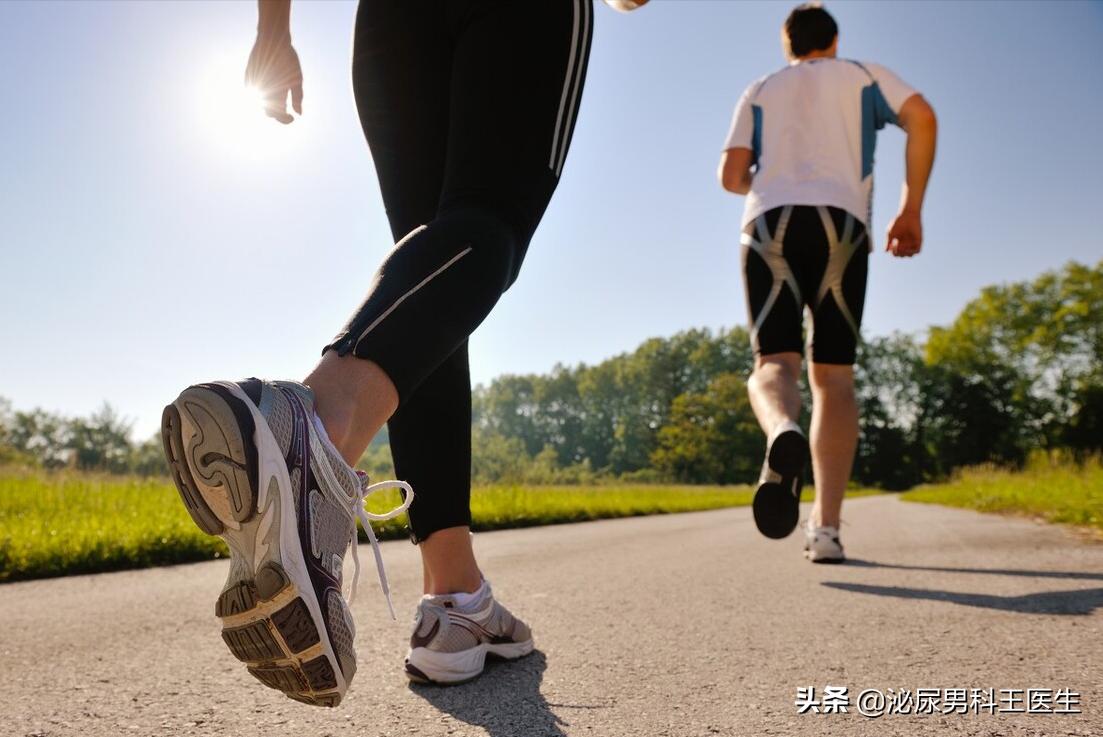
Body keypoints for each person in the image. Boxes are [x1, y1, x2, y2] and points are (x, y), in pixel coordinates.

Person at [159, 0, 654, 707]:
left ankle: (456, 596)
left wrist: (274, 30)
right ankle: (316, 428)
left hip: (392, 19)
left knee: (428, 276)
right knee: (487, 218)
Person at [718, 3, 937, 562]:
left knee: (774, 363)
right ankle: (827, 531)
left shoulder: (762, 87)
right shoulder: (863, 74)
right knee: (834, 377)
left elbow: (731, 176)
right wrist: (911, 208)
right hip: (843, 224)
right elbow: (922, 117)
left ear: (788, 45)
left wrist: (763, 172)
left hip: (768, 224)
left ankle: (780, 429)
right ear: (833, 40)